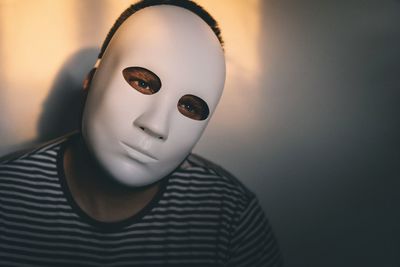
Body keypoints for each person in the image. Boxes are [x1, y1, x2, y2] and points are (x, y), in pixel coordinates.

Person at [0, 0, 283, 266]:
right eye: (143, 83)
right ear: (91, 81)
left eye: (189, 106)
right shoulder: (8, 192)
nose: (156, 126)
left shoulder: (230, 214)